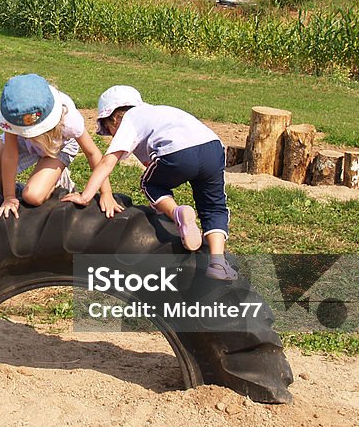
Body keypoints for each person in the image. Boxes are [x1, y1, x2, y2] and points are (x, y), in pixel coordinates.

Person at [62, 86, 237, 281]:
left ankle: (177, 213)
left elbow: (107, 162)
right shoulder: (160, 111)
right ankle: (218, 262)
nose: (112, 135)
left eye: (109, 130)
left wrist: (85, 196)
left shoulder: (128, 121)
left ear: (114, 118)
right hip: (212, 148)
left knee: (151, 184)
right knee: (214, 207)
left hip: (178, 153)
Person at [0, 73, 121, 219]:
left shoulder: (69, 120)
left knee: (33, 196)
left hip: (59, 146)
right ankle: (17, 193)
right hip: (23, 140)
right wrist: (9, 196)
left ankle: (57, 181)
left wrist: (106, 193)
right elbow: (10, 155)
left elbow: (93, 153)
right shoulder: (15, 114)